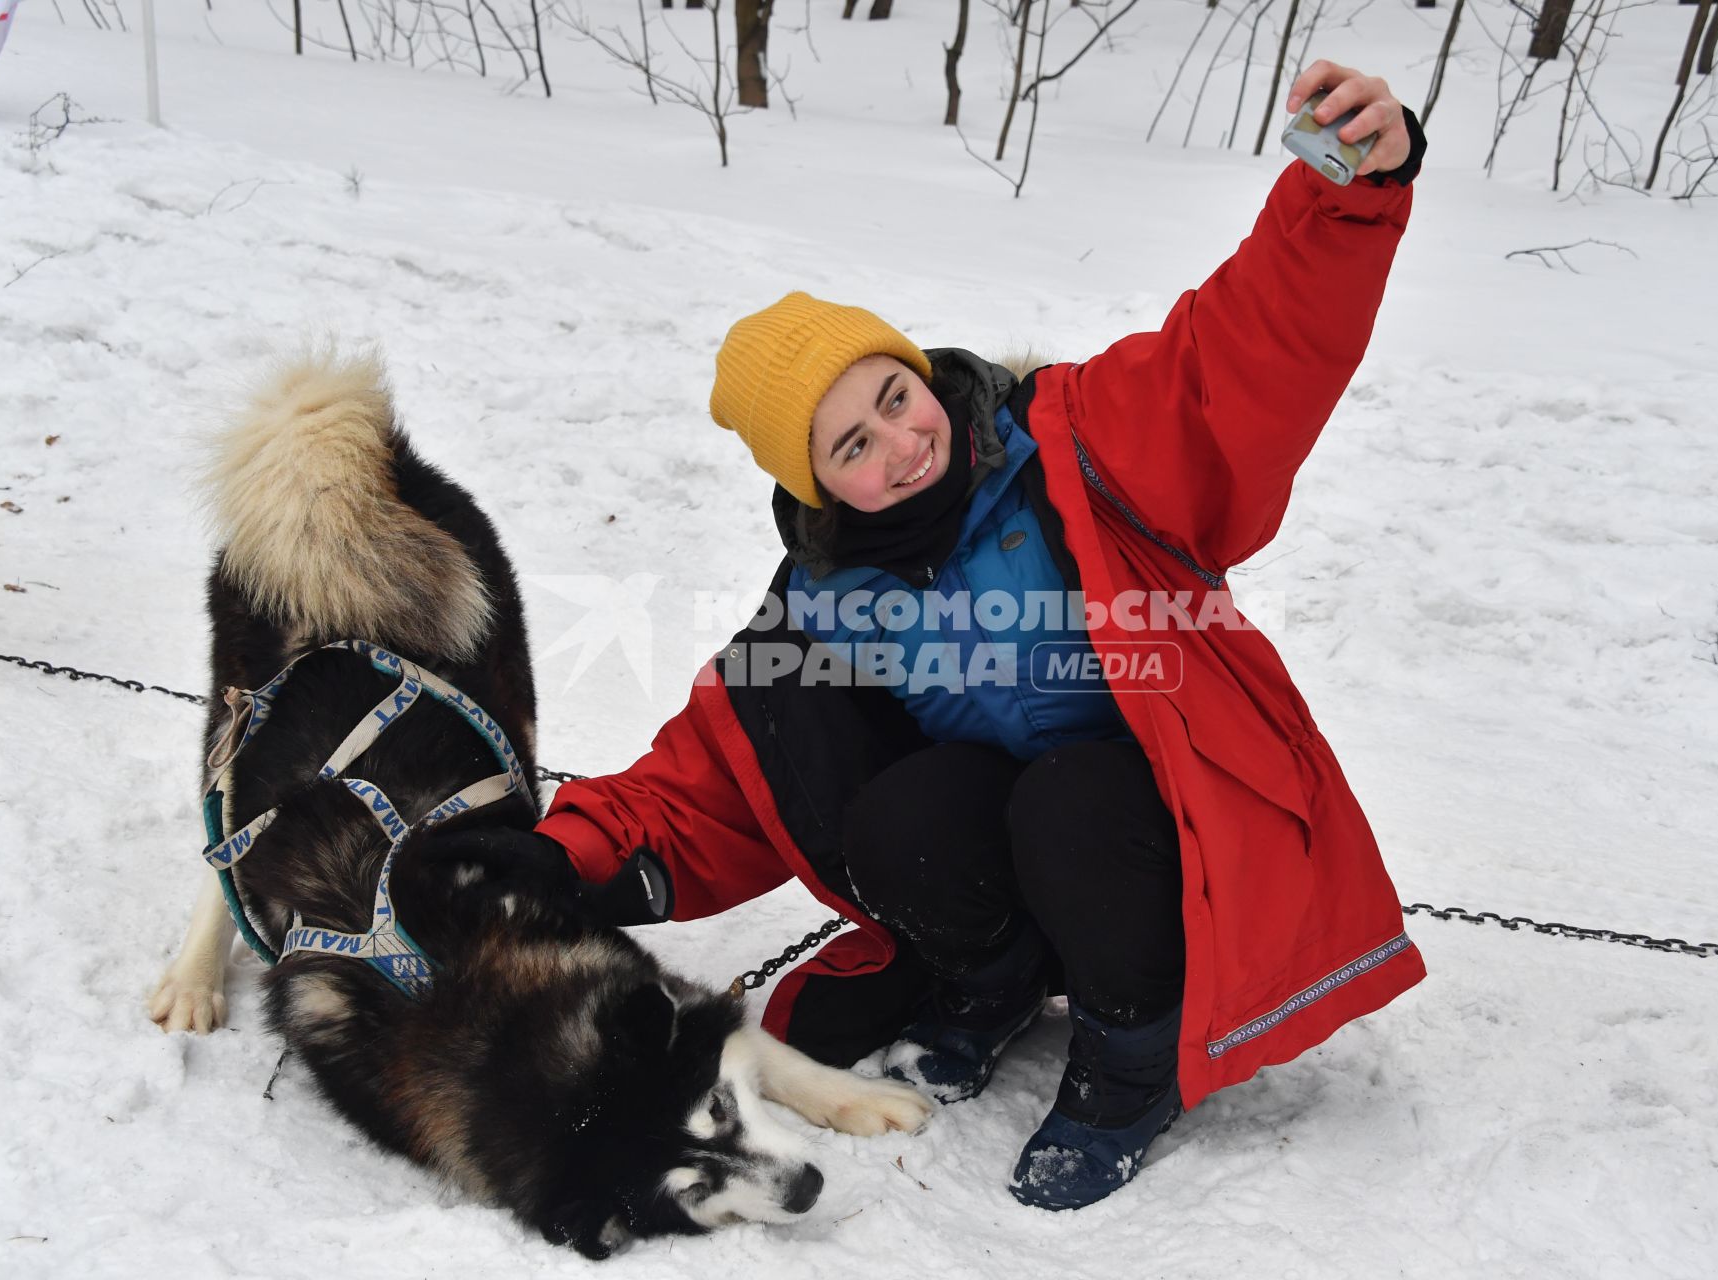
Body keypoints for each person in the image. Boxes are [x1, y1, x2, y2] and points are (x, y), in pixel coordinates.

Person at [534, 62, 1430, 1211]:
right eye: (850, 446)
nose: (898, 446)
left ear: (921, 374)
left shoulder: (1079, 444)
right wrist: (565, 857)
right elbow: (710, 774)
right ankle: (992, 978)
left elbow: (1241, 353)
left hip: (1161, 851)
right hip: (1032, 867)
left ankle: (1130, 1052)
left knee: (1070, 793)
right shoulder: (823, 597)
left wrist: (1346, 195)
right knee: (903, 811)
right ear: (819, 486)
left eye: (892, 399)